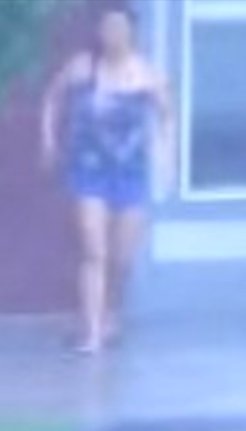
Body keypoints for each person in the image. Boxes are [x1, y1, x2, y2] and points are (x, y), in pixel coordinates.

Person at [41, 5, 176, 354]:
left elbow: (166, 118)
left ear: (131, 32)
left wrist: (166, 157)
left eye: (119, 28)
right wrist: (49, 139)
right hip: (88, 172)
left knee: (122, 258)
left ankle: (109, 311)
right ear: (99, 32)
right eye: (107, 28)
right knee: (93, 250)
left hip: (131, 174)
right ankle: (92, 333)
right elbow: (52, 98)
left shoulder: (147, 75)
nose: (113, 34)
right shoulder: (82, 68)